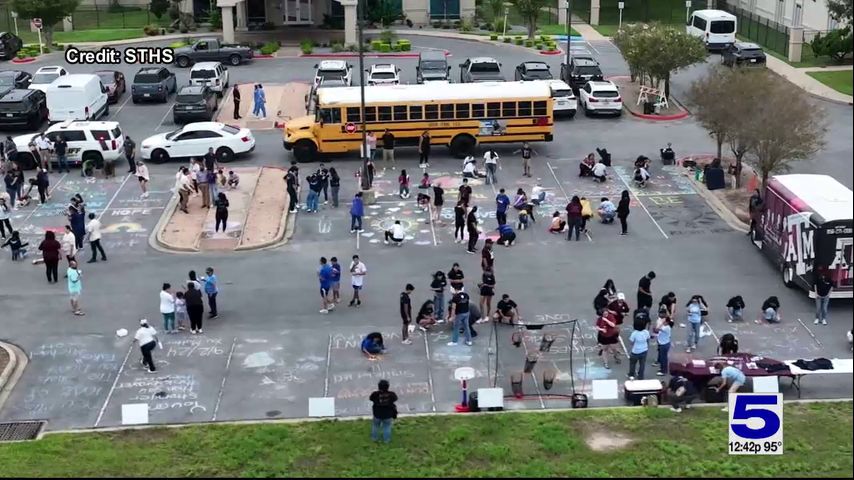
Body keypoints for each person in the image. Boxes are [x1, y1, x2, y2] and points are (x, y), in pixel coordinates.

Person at [653, 310, 673, 376]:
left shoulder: (666, 328)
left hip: (664, 344)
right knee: (662, 357)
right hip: (663, 343)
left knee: (663, 358)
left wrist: (661, 323)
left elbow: (656, 329)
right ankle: (662, 368)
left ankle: (664, 371)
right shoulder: (665, 327)